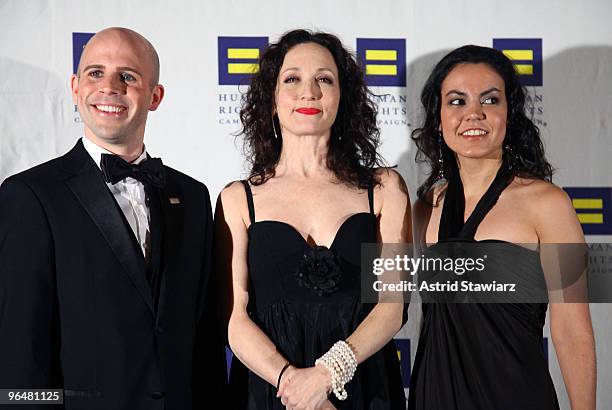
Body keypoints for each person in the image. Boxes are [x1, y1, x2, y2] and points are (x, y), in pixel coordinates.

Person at [0, 27, 226, 409]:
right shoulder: (30, 195)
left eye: (128, 76)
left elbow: (203, 339)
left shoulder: (193, 196)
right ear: (75, 87)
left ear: (155, 96)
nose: (110, 86)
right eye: (95, 73)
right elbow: (20, 348)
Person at [215, 29, 410, 409]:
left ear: (342, 98)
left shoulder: (384, 188)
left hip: (364, 386)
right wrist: (293, 384)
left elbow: (393, 305)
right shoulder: (238, 199)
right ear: (271, 100)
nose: (310, 92)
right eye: (292, 79)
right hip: (273, 392)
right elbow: (234, 320)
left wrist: (327, 375)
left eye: (324, 79)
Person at [409, 45, 596, 410]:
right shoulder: (423, 209)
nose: (474, 114)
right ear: (438, 117)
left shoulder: (549, 204)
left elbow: (573, 331)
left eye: (490, 100)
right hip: (434, 396)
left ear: (510, 113)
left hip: (516, 396)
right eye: (457, 101)